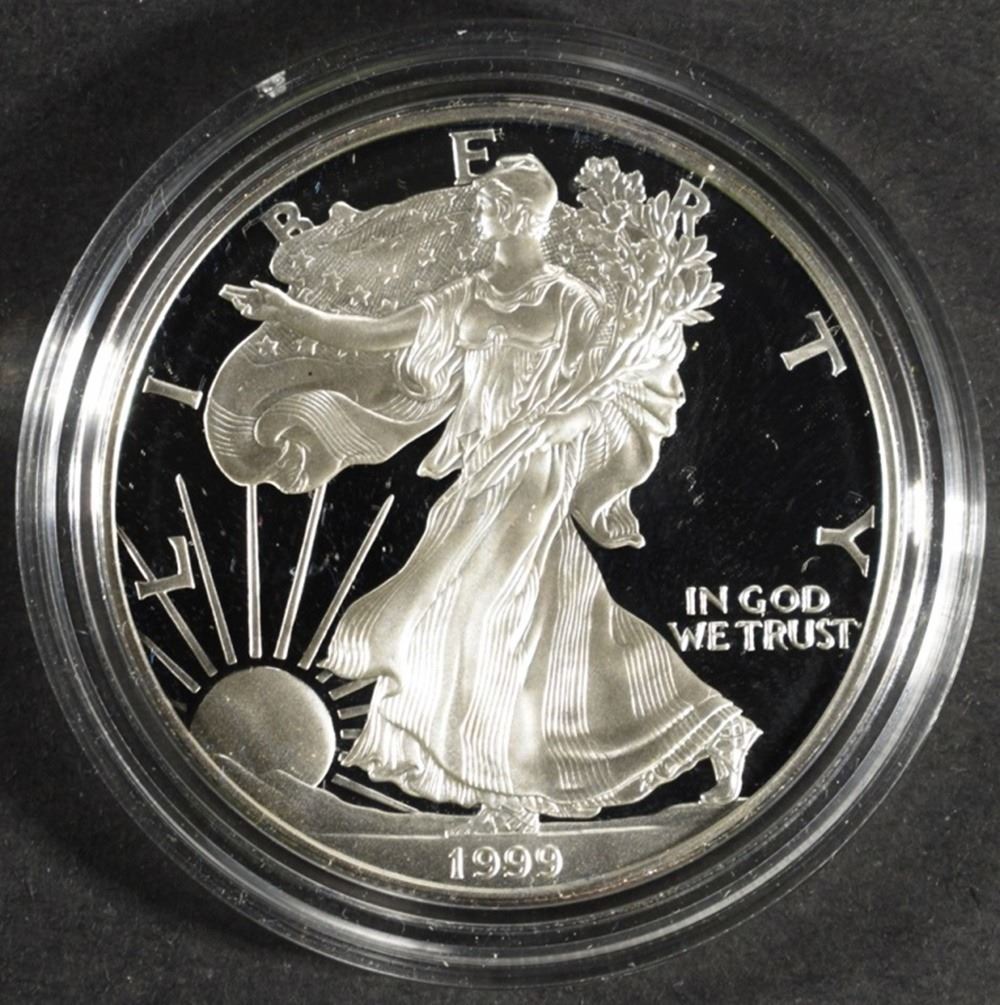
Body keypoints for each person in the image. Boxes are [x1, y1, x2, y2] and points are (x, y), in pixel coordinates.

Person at [220, 154, 760, 834]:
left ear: (518, 215)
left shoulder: (569, 300)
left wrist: (555, 423)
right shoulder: (469, 295)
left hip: (534, 472)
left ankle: (509, 796)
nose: (476, 216)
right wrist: (291, 312)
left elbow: (606, 389)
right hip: (483, 472)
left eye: (486, 206)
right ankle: (715, 728)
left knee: (477, 616)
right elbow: (382, 335)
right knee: (573, 624)